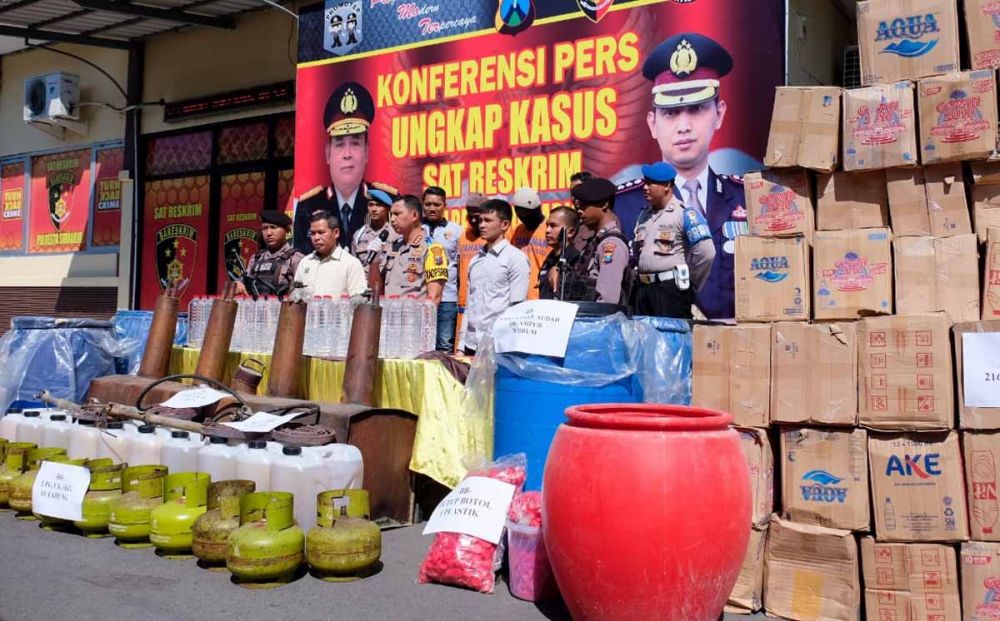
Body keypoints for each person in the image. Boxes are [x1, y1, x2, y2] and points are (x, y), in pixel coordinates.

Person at [615, 32, 747, 320]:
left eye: (697, 108)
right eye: (671, 113)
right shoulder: (622, 206)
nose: (684, 126)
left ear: (719, 114)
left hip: (731, 350)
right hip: (653, 347)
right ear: (652, 123)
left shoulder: (748, 199)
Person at [294, 81, 375, 254]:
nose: (347, 154)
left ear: (367, 151)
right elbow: (300, 253)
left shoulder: (385, 200)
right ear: (327, 152)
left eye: (355, 143)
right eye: (339, 144)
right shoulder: (309, 205)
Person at [632, 162, 716, 318]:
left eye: (650, 183)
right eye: (645, 182)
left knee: (670, 338)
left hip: (669, 291)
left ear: (666, 186)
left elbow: (706, 252)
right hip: (643, 290)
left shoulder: (684, 213)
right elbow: (638, 252)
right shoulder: (644, 216)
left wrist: (690, 283)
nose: (645, 187)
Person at [462, 198, 530, 355]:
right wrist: (461, 345)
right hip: (471, 344)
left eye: (488, 220)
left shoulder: (515, 258)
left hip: (499, 345)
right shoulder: (475, 259)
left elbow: (517, 307)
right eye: (480, 220)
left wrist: (511, 346)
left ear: (504, 225)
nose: (481, 225)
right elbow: (469, 305)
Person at [564, 178, 630, 305]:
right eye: (578, 207)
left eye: (584, 206)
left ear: (604, 204)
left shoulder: (611, 245)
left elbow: (607, 301)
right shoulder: (596, 241)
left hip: (597, 321)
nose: (579, 211)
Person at [379, 195, 448, 300]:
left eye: (397, 214)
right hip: (389, 314)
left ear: (415, 215)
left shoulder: (433, 249)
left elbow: (434, 297)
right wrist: (374, 260)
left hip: (415, 315)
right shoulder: (392, 247)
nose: (392, 219)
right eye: (391, 214)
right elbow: (376, 286)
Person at [422, 186, 463, 352]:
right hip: (420, 297)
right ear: (422, 205)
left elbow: (461, 265)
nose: (432, 208)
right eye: (428, 204)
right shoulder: (415, 228)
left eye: (437, 205)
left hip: (447, 297)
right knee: (421, 346)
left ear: (445, 205)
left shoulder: (456, 231)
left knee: (444, 346)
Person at [292, 210, 367, 299]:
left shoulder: (351, 264)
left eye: (321, 232)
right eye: (312, 233)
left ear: (336, 233)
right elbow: (297, 292)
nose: (316, 238)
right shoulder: (305, 263)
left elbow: (358, 299)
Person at [236, 210, 304, 299]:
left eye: (273, 227)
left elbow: (301, 292)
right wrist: (238, 285)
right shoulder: (256, 258)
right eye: (265, 228)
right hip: (255, 309)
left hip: (282, 310)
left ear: (287, 230)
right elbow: (243, 281)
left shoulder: (295, 259)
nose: (269, 233)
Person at [455, 192, 487, 350]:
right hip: (463, 303)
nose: (473, 220)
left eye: (478, 216)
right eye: (470, 215)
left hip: (484, 305)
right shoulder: (463, 236)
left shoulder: (492, 236)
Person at [508, 187, 549, 300]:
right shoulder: (516, 231)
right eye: (521, 215)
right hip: (518, 295)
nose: (525, 218)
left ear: (539, 209)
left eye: (530, 214)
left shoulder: (549, 230)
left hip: (540, 295)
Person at [538, 206, 582, 300]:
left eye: (553, 226)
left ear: (570, 232)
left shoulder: (575, 260)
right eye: (547, 225)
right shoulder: (549, 259)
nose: (547, 230)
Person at [352, 185, 398, 269]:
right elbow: (354, 265)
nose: (374, 209)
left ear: (387, 208)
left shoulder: (396, 233)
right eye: (371, 205)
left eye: (378, 205)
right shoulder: (359, 234)